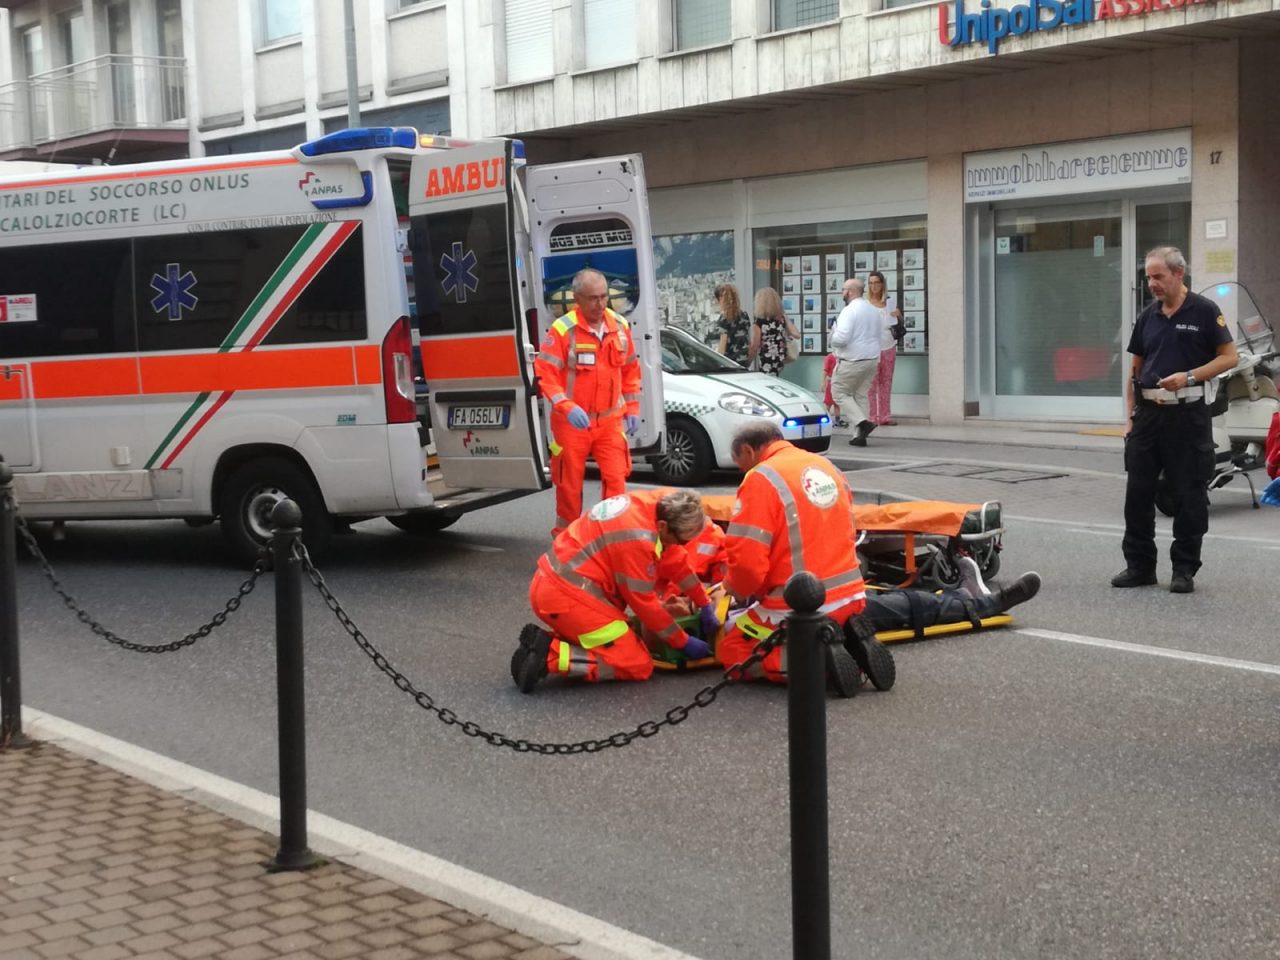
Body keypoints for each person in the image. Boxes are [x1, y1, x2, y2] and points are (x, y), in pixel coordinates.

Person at [1112, 246, 1237, 595]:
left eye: (1158, 276)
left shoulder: (1204, 311)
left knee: (1189, 496)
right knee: (1138, 495)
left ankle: (1184, 569)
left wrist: (1190, 376)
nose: (1152, 283)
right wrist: (1129, 417)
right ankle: (1140, 567)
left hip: (1187, 416)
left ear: (1179, 273)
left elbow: (1229, 357)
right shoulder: (1147, 317)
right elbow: (1134, 371)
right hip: (1148, 417)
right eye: (1148, 277)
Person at [511, 488, 721, 691]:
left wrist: (703, 602)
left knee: (619, 639)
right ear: (663, 527)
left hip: (555, 587)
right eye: (682, 540)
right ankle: (550, 656)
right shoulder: (637, 541)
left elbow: (676, 563)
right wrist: (682, 641)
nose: (683, 545)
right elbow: (645, 605)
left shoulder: (656, 505)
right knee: (636, 664)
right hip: (568, 598)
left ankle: (541, 644)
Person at [717, 420, 871, 685]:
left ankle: (821, 664)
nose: (743, 472)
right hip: (852, 596)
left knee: (733, 650)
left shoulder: (761, 478)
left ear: (748, 450)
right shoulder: (825, 466)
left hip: (798, 604)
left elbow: (747, 562)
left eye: (742, 465)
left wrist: (734, 588)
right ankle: (848, 642)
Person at [534, 268, 643, 537]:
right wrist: (566, 406)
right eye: (593, 298)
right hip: (572, 424)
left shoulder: (620, 326)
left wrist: (632, 408)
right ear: (577, 298)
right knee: (569, 485)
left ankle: (610, 537)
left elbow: (630, 370)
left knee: (616, 480)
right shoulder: (563, 330)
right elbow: (545, 373)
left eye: (604, 296)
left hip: (609, 421)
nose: (600, 303)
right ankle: (567, 540)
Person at [828, 278, 882, 446]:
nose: (842, 293)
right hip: (872, 359)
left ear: (850, 292)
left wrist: (832, 335)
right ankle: (859, 436)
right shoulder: (873, 310)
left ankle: (862, 423)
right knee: (860, 395)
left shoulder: (849, 310)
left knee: (839, 392)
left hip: (852, 359)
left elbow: (841, 339)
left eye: (843, 289)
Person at [865, 270, 903, 427]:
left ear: (882, 284)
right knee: (871, 384)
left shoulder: (889, 303)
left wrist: (898, 315)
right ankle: (872, 416)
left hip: (888, 346)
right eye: (871, 283)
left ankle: (885, 415)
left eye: (876, 283)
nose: (874, 286)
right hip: (871, 348)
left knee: (886, 382)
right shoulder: (865, 304)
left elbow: (896, 325)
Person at [749, 287, 800, 376]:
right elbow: (797, 334)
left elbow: (754, 346)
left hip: (766, 360)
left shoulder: (759, 323)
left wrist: (747, 362)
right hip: (780, 359)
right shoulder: (781, 319)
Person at [714, 283, 752, 367]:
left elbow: (723, 345)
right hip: (743, 361)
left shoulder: (724, 319)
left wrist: (717, 364)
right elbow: (748, 340)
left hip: (730, 363)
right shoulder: (744, 315)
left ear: (721, 299)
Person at [822, 350, 845, 427]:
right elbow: (825, 370)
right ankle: (826, 419)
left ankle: (836, 420)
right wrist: (823, 383)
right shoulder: (830, 357)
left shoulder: (840, 357)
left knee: (835, 403)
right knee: (829, 403)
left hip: (837, 382)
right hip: (832, 382)